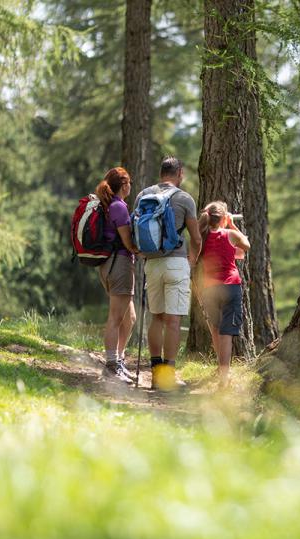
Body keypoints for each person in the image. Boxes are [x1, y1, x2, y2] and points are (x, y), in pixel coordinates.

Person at [134, 156, 201, 390]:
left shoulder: (144, 195)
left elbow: (136, 229)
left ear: (162, 172)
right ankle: (168, 377)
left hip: (151, 263)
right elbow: (196, 237)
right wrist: (191, 260)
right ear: (179, 173)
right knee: (173, 321)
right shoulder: (184, 198)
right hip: (176, 263)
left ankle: (155, 374)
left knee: (156, 318)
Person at [196, 201, 250, 388]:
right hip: (230, 287)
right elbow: (247, 245)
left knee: (215, 330)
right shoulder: (231, 234)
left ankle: (220, 370)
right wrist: (232, 224)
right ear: (223, 218)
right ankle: (224, 379)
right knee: (226, 333)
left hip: (209, 288)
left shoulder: (201, 237)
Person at [95, 167, 139, 384]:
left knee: (129, 318)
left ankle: (118, 360)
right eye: (129, 182)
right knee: (115, 318)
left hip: (110, 265)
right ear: (124, 185)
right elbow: (128, 243)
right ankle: (111, 367)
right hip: (119, 264)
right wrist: (142, 248)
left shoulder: (108, 206)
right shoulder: (119, 207)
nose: (131, 186)